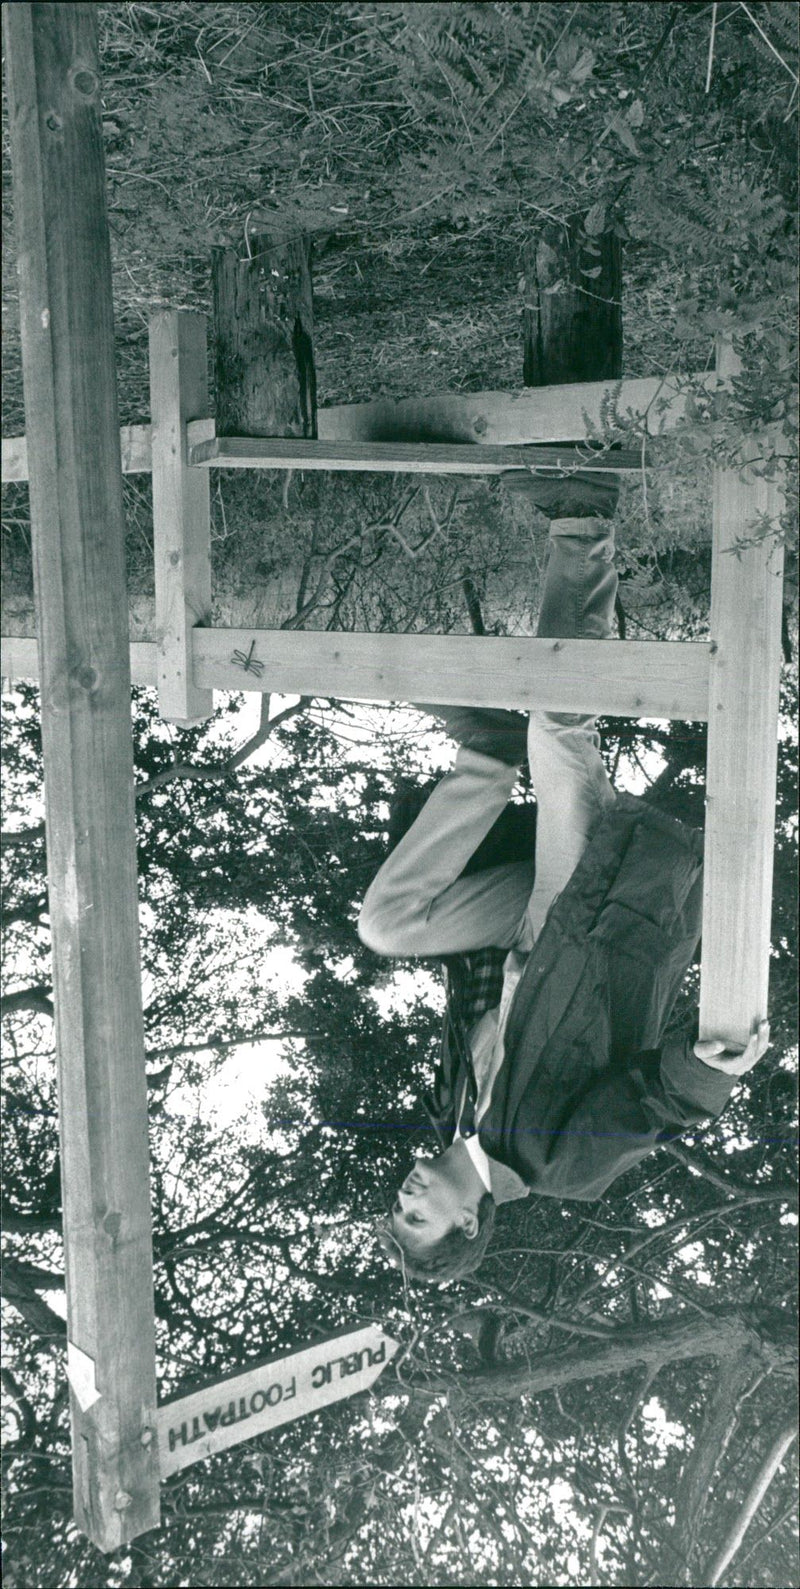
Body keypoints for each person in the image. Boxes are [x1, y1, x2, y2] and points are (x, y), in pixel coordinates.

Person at [357, 506, 770, 1283]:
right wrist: (709, 1070)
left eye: (395, 1206)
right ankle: (581, 525)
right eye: (418, 1214)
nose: (404, 1195)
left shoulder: (453, 1111)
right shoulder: (558, 1163)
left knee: (385, 925)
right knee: (559, 720)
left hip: (524, 924)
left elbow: (485, 993)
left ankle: (487, 757)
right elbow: (655, 1105)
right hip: (589, 920)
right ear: (471, 1219)